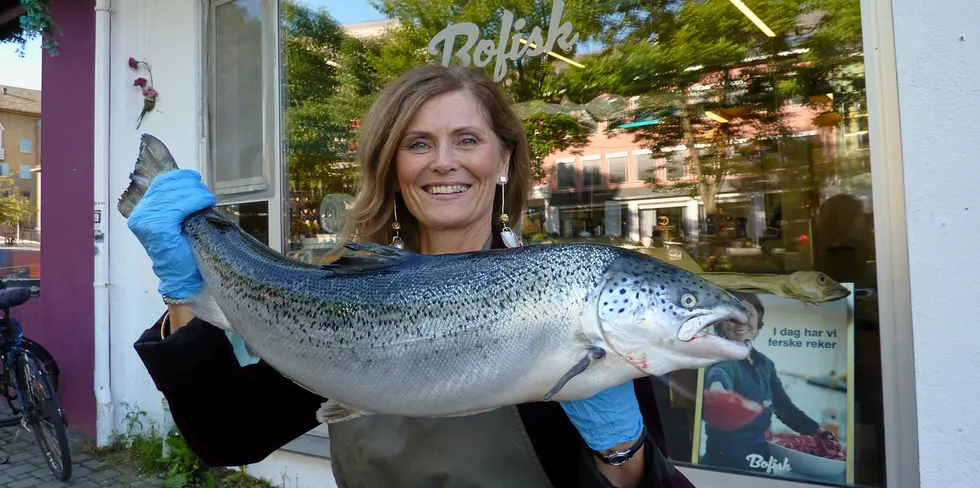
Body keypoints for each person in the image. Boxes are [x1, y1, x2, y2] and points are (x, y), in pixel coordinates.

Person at [128, 64, 695, 488]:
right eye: (417, 144)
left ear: (503, 162)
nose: (443, 161)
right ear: (392, 168)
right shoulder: (343, 298)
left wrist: (620, 446)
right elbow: (226, 437)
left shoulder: (574, 303)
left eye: (467, 140)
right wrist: (186, 290)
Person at [700, 291, 839, 473]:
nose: (741, 321)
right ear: (720, 323)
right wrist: (718, 396)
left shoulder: (764, 363)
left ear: (759, 319)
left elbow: (785, 409)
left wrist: (819, 432)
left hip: (762, 462)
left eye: (748, 314)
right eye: (732, 316)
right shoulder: (720, 362)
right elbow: (718, 380)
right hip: (725, 466)